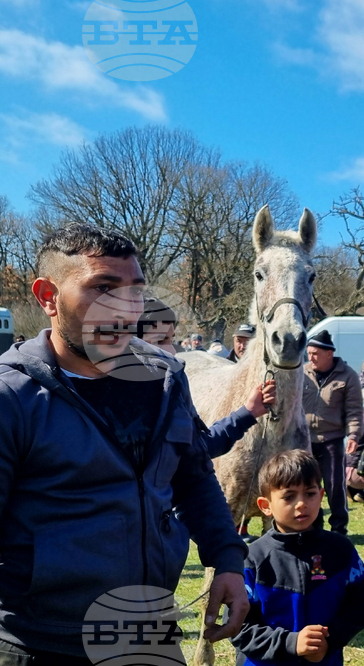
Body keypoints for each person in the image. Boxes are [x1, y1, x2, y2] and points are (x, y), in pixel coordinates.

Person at [0, 224, 249, 663]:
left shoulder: (164, 378)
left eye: (135, 291)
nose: (125, 309)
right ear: (47, 296)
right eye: (102, 288)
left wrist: (226, 558)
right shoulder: (12, 396)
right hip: (39, 642)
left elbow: (192, 476)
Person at [232, 449, 364, 666]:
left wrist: (330, 640)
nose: (301, 504)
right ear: (265, 506)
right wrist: (292, 643)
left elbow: (361, 602)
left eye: (309, 493)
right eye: (289, 496)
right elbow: (239, 627)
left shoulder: (340, 550)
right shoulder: (251, 559)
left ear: (321, 495)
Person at [136, 298, 276, 459]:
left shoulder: (173, 389)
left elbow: (197, 450)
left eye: (171, 340)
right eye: (159, 341)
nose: (171, 351)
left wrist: (248, 412)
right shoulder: (105, 407)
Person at [302, 330, 363, 535]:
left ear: (329, 354)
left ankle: (339, 528)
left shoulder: (348, 376)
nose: (310, 358)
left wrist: (353, 435)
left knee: (334, 485)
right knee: (308, 486)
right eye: (309, 353)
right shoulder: (301, 374)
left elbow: (354, 410)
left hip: (332, 440)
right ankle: (313, 526)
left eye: (315, 353)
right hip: (304, 440)